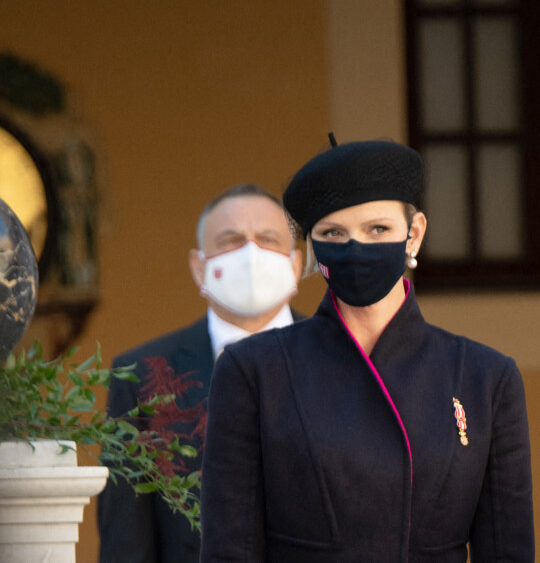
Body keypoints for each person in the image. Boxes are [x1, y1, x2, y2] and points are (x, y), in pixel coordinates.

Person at [200, 139, 534, 562]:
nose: (356, 248)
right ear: (313, 249)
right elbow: (229, 548)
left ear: (413, 235)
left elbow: (508, 549)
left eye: (378, 229)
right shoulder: (254, 372)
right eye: (333, 234)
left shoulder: (486, 378)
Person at [98, 184, 304, 563]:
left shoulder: (346, 358)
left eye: (267, 239)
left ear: (296, 263)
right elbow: (126, 537)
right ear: (199, 266)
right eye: (231, 240)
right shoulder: (141, 376)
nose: (250, 253)